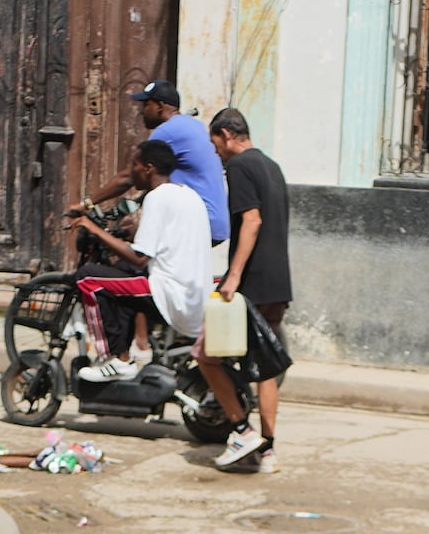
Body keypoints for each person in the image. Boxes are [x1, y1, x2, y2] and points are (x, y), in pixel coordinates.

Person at [70, 136, 214, 383]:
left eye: (135, 165)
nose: (132, 172)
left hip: (168, 293)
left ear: (149, 168)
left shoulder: (156, 197)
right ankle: (125, 353)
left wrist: (94, 229)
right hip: (191, 295)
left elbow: (139, 257)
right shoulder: (189, 195)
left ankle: (114, 359)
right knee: (122, 272)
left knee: (88, 277)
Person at [207, 108, 297, 477]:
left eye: (216, 145)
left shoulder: (240, 167)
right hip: (278, 281)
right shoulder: (272, 166)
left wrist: (233, 275)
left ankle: (242, 430)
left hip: (253, 284)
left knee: (207, 355)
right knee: (266, 369)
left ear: (228, 135)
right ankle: (269, 451)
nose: (217, 154)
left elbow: (253, 220)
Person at [101, 79, 230, 249]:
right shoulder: (194, 125)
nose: (142, 112)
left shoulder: (167, 130)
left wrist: (88, 202)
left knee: (140, 255)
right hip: (216, 224)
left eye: (146, 105)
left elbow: (129, 176)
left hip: (198, 224)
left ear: (160, 106)